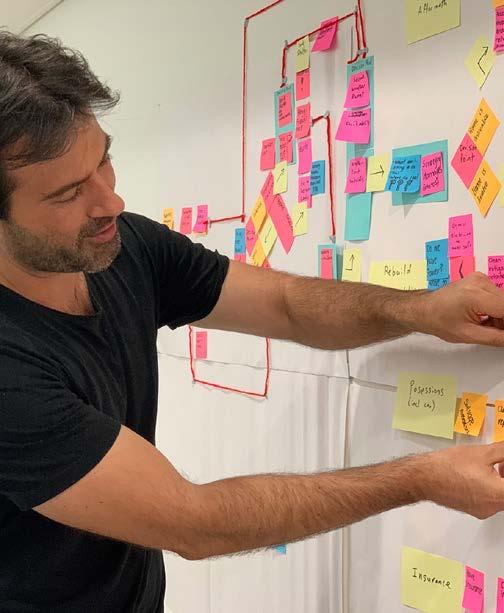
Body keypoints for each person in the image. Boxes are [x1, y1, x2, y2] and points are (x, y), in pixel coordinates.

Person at [0, 30, 503, 613]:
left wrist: (418, 310)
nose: (110, 201)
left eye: (104, 160)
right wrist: (420, 478)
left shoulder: (125, 246)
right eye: (68, 193)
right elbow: (197, 523)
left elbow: (286, 304)